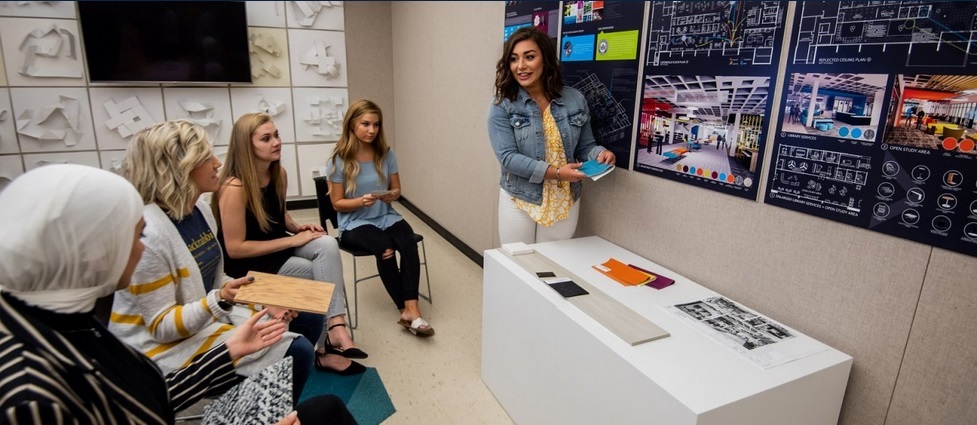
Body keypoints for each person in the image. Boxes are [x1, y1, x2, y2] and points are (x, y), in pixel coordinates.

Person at [0, 164, 356, 425]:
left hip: (224, 301)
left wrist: (228, 351)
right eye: (134, 235)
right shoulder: (31, 399)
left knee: (307, 305)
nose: (142, 247)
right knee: (319, 394)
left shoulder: (67, 323)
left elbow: (144, 396)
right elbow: (168, 324)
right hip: (213, 308)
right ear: (92, 250)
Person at [109, 120, 314, 402]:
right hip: (162, 346)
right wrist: (222, 300)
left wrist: (263, 298)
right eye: (206, 157)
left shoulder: (200, 211)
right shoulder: (150, 234)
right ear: (178, 168)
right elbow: (162, 327)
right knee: (297, 350)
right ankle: (256, 408)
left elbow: (218, 280)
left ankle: (268, 401)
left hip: (208, 311)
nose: (217, 162)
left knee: (307, 309)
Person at [212, 112, 366, 375]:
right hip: (248, 269)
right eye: (266, 138)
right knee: (320, 279)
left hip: (276, 250)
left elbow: (278, 215)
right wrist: (293, 240)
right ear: (246, 146)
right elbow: (235, 248)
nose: (276, 142)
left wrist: (298, 227)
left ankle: (336, 326)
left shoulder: (278, 174)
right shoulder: (234, 188)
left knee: (326, 243)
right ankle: (323, 351)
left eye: (277, 135)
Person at [488, 26, 615, 245]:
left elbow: (585, 147)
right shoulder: (503, 104)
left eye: (529, 57)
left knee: (551, 267)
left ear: (545, 59)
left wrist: (601, 154)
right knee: (518, 265)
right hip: (520, 197)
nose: (521, 66)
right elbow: (508, 158)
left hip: (563, 198)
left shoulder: (575, 99)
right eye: (514, 59)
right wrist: (556, 172)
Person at [325, 99, 434, 337]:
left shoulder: (386, 153)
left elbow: (396, 189)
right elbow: (337, 203)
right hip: (355, 222)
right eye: (365, 124)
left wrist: (390, 195)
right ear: (352, 125)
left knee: (407, 243)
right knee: (384, 248)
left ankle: (411, 310)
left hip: (384, 215)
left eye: (376, 124)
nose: (371, 130)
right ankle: (405, 309)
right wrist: (359, 201)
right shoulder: (339, 159)